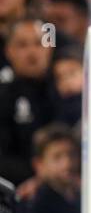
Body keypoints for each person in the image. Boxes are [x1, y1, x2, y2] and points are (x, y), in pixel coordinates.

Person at [0, 17, 58, 199]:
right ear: (8, 51)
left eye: (38, 44)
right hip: (14, 194)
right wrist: (41, 176)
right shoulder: (3, 97)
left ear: (50, 49)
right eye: (22, 45)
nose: (32, 52)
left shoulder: (65, 92)